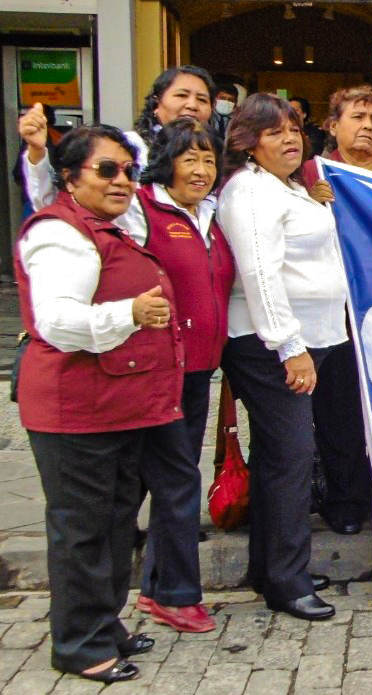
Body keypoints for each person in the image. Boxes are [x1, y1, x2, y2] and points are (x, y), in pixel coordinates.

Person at [16, 125, 184, 683]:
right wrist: (128, 314)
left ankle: (103, 624)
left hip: (116, 402)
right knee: (82, 528)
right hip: (75, 410)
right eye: (107, 170)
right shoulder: (58, 234)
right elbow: (56, 321)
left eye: (129, 171)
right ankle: (80, 643)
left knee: (114, 523)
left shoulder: (107, 225)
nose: (122, 181)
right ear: (70, 177)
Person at [216, 93, 345, 621]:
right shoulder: (249, 192)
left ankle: (271, 569)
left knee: (279, 456)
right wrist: (290, 348)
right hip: (268, 345)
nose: (290, 138)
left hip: (306, 338)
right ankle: (288, 581)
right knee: (292, 456)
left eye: (294, 128)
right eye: (274, 132)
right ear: (250, 143)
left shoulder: (286, 187)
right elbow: (260, 275)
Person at [112, 118, 233, 634]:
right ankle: (177, 596)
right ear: (167, 163)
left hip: (199, 370)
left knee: (169, 479)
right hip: (159, 369)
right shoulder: (142, 210)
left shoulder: (212, 213)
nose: (201, 170)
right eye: (190, 159)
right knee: (179, 480)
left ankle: (155, 587)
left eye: (208, 159)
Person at [301, 84, 372, 536]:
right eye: (357, 118)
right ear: (332, 126)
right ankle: (345, 500)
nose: (367, 127)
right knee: (339, 411)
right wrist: (308, 204)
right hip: (334, 315)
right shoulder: (309, 175)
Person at [18, 65, 216, 218]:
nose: (192, 105)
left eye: (202, 99)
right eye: (181, 95)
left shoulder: (213, 158)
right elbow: (52, 202)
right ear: (156, 104)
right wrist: (37, 150)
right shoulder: (127, 147)